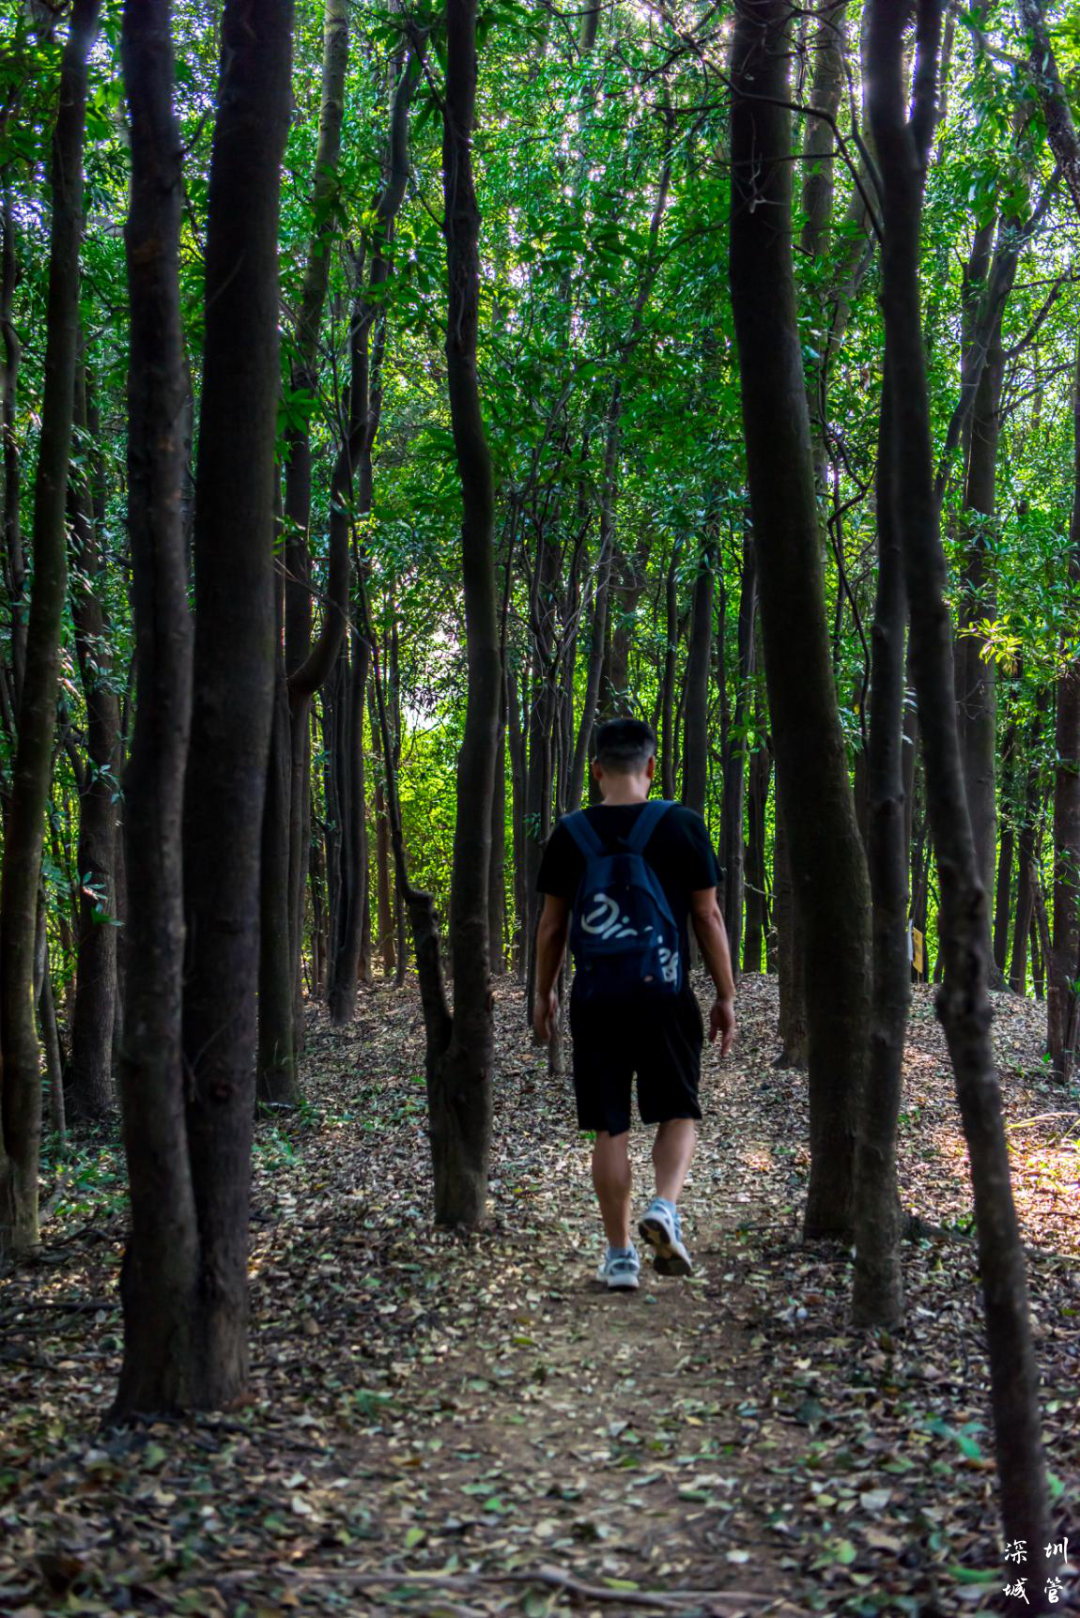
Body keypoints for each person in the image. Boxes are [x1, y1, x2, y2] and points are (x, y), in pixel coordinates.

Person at [533, 717, 736, 1290]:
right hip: (666, 995)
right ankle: (665, 1207)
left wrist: (545, 991)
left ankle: (620, 1256)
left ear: (596, 770)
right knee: (679, 1110)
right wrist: (725, 994)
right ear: (651, 767)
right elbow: (707, 916)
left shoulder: (570, 833)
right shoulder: (682, 826)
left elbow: (552, 926)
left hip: (596, 999)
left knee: (610, 1127)